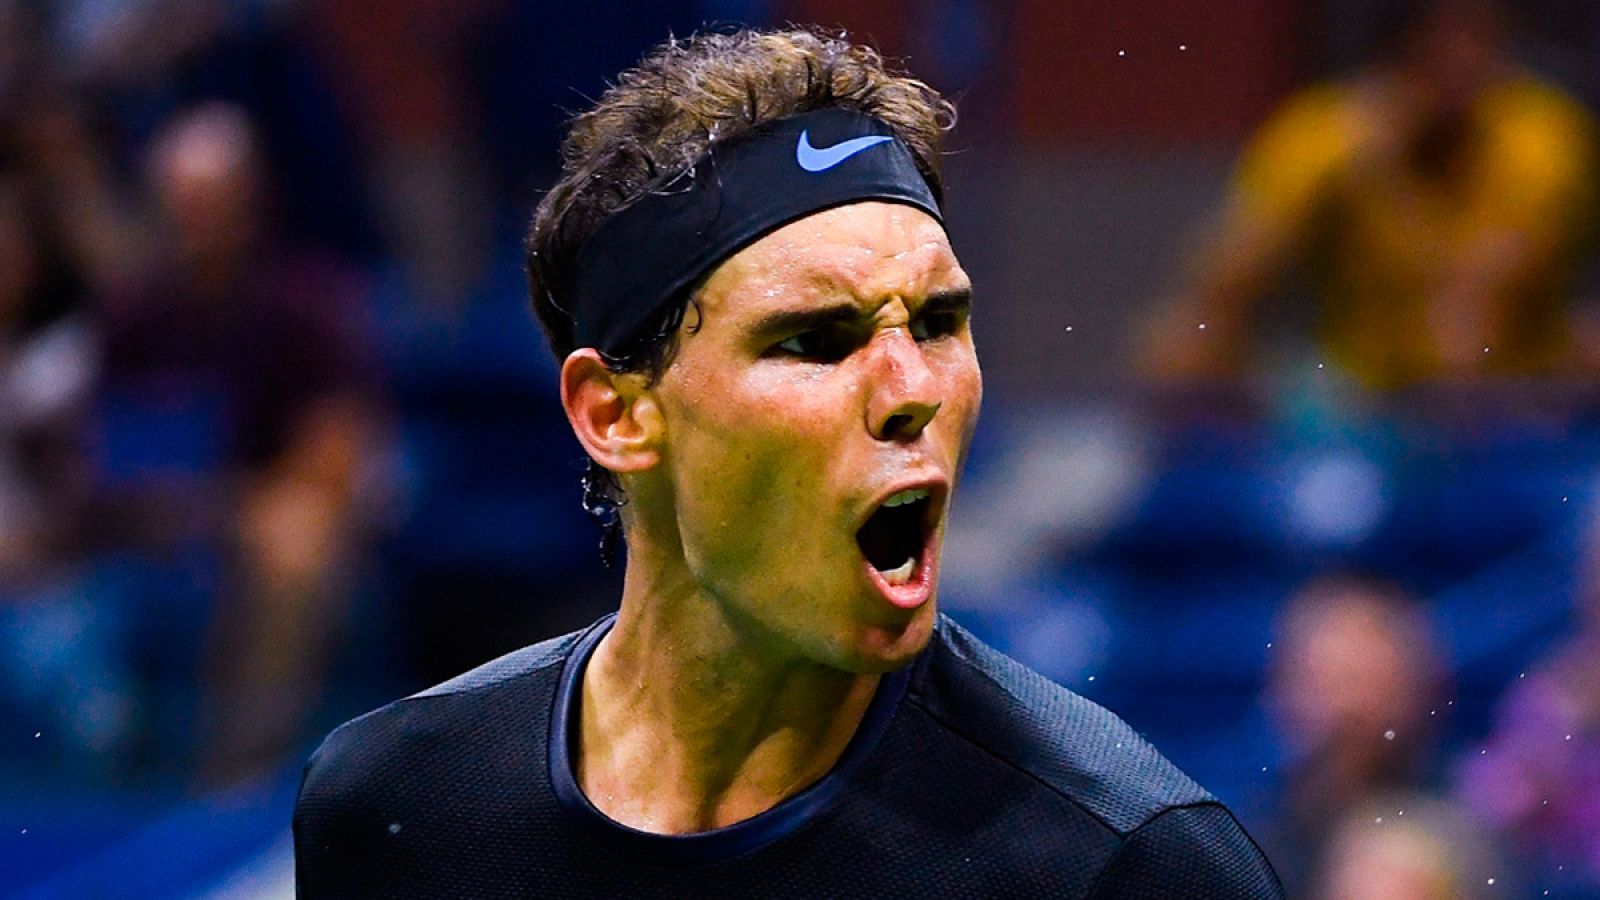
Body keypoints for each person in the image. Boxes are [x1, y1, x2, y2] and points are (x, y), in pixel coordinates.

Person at [293, 27, 1285, 898]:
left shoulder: (1127, 867)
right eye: (815, 338)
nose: (912, 389)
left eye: (938, 322)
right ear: (618, 415)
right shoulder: (397, 810)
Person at [1143, 0, 1598, 392]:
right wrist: (1358, 166)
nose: (1465, 67)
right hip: (1356, 384)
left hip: (1520, 383)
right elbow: (1226, 273)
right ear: (1398, 59)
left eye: (1481, 45)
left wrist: (1396, 191)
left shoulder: (1539, 131)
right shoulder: (1327, 131)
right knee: (1181, 343)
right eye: (1442, 50)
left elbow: (1480, 296)